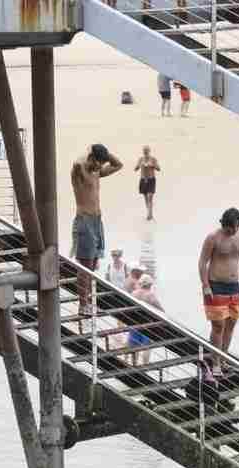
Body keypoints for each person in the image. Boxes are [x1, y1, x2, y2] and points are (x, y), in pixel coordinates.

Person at [198, 208, 239, 376]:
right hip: (215, 285)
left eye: (236, 227)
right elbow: (202, 263)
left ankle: (223, 359)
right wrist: (205, 285)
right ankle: (215, 363)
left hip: (234, 287)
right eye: (230, 228)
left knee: (230, 325)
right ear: (224, 224)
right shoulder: (212, 238)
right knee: (218, 326)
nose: (233, 231)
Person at [71, 144, 123, 315]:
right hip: (84, 221)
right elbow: (77, 164)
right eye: (98, 162)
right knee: (85, 265)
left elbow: (118, 165)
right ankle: (82, 304)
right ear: (91, 158)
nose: (100, 166)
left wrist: (105, 155)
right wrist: (90, 152)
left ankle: (89, 301)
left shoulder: (96, 173)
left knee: (93, 263)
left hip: (96, 221)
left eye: (102, 163)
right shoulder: (80, 171)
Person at [129, 274, 164, 366]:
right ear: (150, 285)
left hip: (134, 323)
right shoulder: (150, 295)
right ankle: (145, 366)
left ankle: (134, 365)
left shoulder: (134, 293)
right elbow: (161, 310)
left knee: (134, 347)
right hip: (146, 325)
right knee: (146, 347)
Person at [134, 145, 161, 221]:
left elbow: (159, 168)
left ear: (149, 151)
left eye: (147, 151)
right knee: (146, 198)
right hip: (143, 180)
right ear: (143, 152)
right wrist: (139, 165)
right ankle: (148, 212)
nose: (145, 152)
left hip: (151, 179)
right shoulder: (140, 159)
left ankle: (150, 214)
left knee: (150, 196)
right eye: (144, 151)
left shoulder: (153, 159)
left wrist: (152, 165)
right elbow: (135, 169)